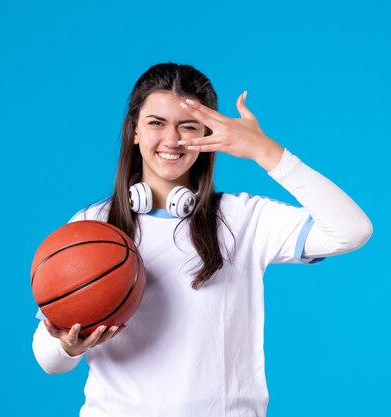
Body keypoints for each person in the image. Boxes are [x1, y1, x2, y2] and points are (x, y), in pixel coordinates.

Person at [31, 62, 373, 417]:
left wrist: (265, 151)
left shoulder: (243, 219)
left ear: (208, 135)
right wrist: (67, 346)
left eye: (188, 126)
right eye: (156, 123)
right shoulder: (93, 226)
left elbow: (353, 231)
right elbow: (49, 361)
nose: (172, 139)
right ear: (134, 130)